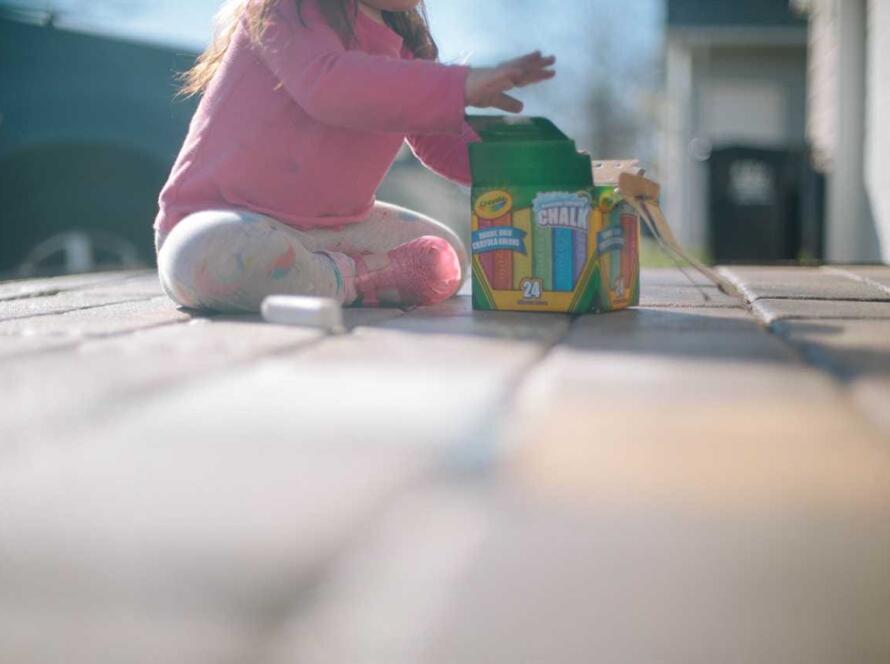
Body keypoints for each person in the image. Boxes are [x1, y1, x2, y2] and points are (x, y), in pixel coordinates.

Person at [155, 0, 556, 312]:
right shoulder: (282, 9)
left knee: (448, 252)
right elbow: (331, 84)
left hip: (332, 231)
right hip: (220, 221)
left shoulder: (405, 49)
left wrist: (533, 169)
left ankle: (330, 278)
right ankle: (354, 280)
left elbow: (442, 140)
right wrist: (460, 85)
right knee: (214, 256)